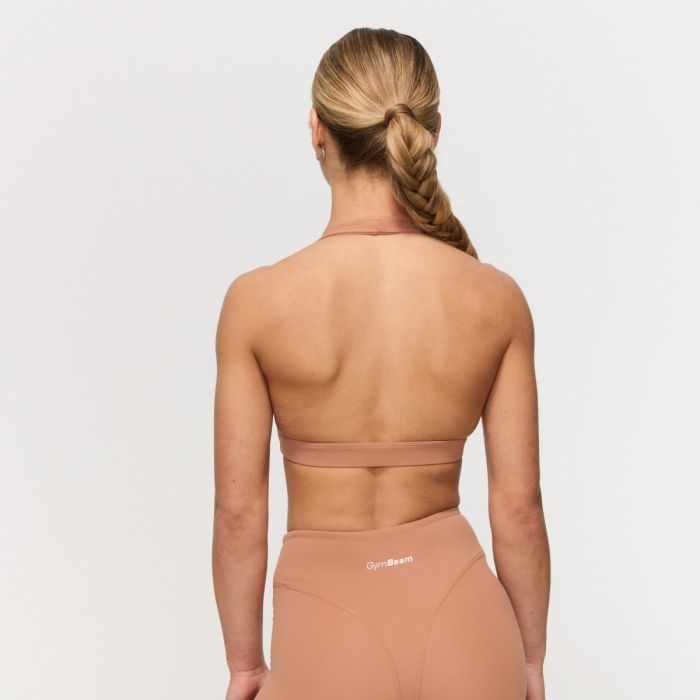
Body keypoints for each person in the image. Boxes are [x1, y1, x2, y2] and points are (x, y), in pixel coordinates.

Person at [212, 27, 550, 700]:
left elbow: (238, 513)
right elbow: (519, 507)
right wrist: (531, 661)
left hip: (327, 634)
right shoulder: (496, 298)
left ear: (317, 129)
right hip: (467, 627)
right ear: (433, 130)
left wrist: (245, 666)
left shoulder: (257, 303)